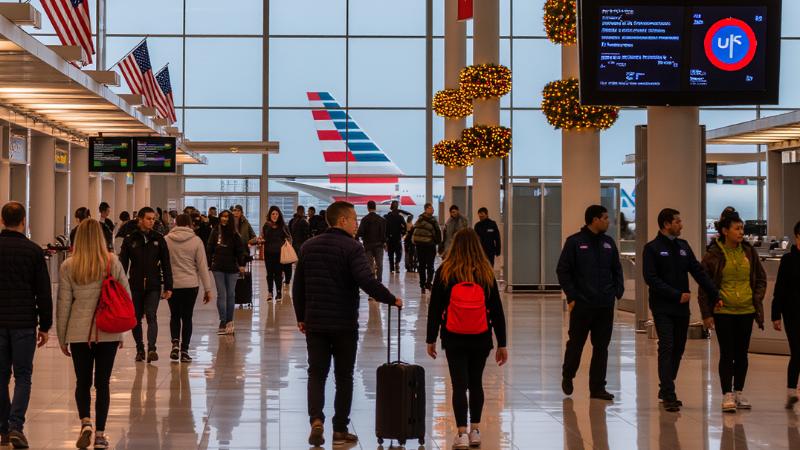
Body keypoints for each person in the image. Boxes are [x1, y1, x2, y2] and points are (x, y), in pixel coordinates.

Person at [293, 201, 403, 447]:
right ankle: (340, 429)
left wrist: (301, 316)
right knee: (344, 376)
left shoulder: (309, 247)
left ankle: (316, 421)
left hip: (316, 323)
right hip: (344, 324)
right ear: (342, 220)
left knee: (316, 373)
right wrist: (391, 299)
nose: (357, 224)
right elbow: (367, 281)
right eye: (354, 219)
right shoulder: (353, 248)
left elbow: (297, 286)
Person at [426, 229, 508, 449]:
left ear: (455, 246)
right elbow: (497, 311)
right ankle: (476, 431)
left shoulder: (445, 271)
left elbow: (435, 308)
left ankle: (461, 433)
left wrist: (430, 338)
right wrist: (502, 343)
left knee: (459, 385)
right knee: (476, 383)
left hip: (453, 337)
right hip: (480, 337)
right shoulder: (485, 272)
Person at [57, 219, 130, 450]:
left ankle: (85, 422)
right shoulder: (112, 262)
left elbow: (63, 304)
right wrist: (121, 334)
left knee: (82, 382)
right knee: (103, 384)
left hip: (79, 334)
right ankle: (99, 435)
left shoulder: (69, 266)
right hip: (108, 331)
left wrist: (62, 337)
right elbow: (125, 298)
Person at [642, 208, 719, 412]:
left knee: (678, 348)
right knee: (666, 346)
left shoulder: (683, 246)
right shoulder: (652, 248)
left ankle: (666, 385)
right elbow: (651, 278)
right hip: (662, 307)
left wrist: (715, 295)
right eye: (678, 221)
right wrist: (676, 294)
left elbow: (698, 272)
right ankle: (668, 393)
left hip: (681, 309)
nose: (681, 224)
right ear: (667, 224)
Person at [699, 211, 766, 413]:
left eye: (742, 228)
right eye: (737, 228)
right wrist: (706, 314)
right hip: (724, 311)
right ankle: (727, 394)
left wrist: (756, 298)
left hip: (746, 309)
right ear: (725, 231)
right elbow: (704, 287)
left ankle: (739, 392)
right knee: (727, 354)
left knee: (742, 354)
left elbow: (760, 279)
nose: (741, 232)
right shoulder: (713, 255)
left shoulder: (748, 252)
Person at [558, 205, 624, 401]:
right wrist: (572, 296)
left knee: (601, 347)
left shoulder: (608, 243)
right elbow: (563, 270)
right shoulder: (575, 242)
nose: (608, 221)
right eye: (605, 218)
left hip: (604, 305)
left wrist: (617, 292)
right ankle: (568, 375)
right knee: (576, 344)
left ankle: (597, 388)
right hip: (583, 305)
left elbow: (617, 269)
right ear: (594, 220)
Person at [0, 202, 51, 449]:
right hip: (24, 324)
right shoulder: (33, 251)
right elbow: (43, 292)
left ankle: (3, 429)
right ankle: (15, 426)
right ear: (24, 221)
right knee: (23, 376)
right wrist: (46, 325)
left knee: (0, 376)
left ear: (2, 220)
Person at [120, 207, 174, 363]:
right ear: (140, 219)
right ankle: (139, 348)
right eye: (148, 219)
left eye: (153, 219)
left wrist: (168, 286)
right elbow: (123, 265)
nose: (152, 222)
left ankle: (152, 348)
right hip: (135, 285)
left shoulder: (159, 239)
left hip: (153, 285)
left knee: (151, 315)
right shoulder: (130, 239)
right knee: (136, 318)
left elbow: (166, 264)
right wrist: (120, 286)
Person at [165, 214, 213, 362]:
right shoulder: (196, 241)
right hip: (190, 285)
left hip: (173, 285)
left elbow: (162, 263)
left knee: (174, 315)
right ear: (190, 224)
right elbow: (202, 266)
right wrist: (208, 289)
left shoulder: (166, 240)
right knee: (187, 317)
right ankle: (185, 350)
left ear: (175, 223)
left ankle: (175, 344)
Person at [773, 220, 800, 409]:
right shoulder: (788, 260)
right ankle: (791, 391)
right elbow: (780, 288)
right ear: (797, 237)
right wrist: (776, 314)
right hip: (793, 313)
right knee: (797, 351)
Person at [207, 210, 247, 335]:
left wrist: (241, 265)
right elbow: (209, 248)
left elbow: (240, 251)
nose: (224, 219)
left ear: (230, 219)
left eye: (226, 217)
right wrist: (209, 263)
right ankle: (223, 321)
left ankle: (230, 320)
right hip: (218, 267)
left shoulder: (235, 234)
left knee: (230, 294)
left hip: (232, 269)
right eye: (222, 217)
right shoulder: (215, 231)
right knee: (221, 294)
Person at [262, 206, 290, 301]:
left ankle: (278, 293)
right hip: (268, 253)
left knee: (278, 273)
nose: (275, 216)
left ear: (279, 215)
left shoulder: (282, 226)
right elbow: (263, 237)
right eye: (273, 214)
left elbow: (289, 238)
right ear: (270, 215)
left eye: (276, 214)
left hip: (279, 254)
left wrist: (286, 244)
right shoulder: (266, 225)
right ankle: (270, 292)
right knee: (269, 274)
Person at [413, 203, 442, 294]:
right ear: (426, 209)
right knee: (428, 265)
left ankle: (425, 284)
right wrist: (437, 242)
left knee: (423, 265)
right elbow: (437, 232)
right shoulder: (432, 220)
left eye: (432, 208)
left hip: (420, 245)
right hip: (429, 245)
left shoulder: (419, 219)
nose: (433, 210)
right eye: (431, 208)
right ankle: (427, 283)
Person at [357, 201, 387, 281]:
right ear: (375, 207)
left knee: (370, 265)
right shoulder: (381, 220)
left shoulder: (364, 219)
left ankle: (372, 281)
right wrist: (384, 243)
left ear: (367, 208)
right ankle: (379, 280)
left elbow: (360, 232)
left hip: (368, 245)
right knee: (379, 264)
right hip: (379, 245)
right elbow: (383, 233)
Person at [384, 201, 407, 274]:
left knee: (390, 254)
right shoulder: (400, 217)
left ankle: (391, 269)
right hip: (397, 238)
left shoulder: (387, 217)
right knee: (399, 253)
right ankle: (397, 263)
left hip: (389, 239)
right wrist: (402, 234)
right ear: (397, 207)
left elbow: (384, 228)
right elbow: (405, 227)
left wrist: (385, 237)